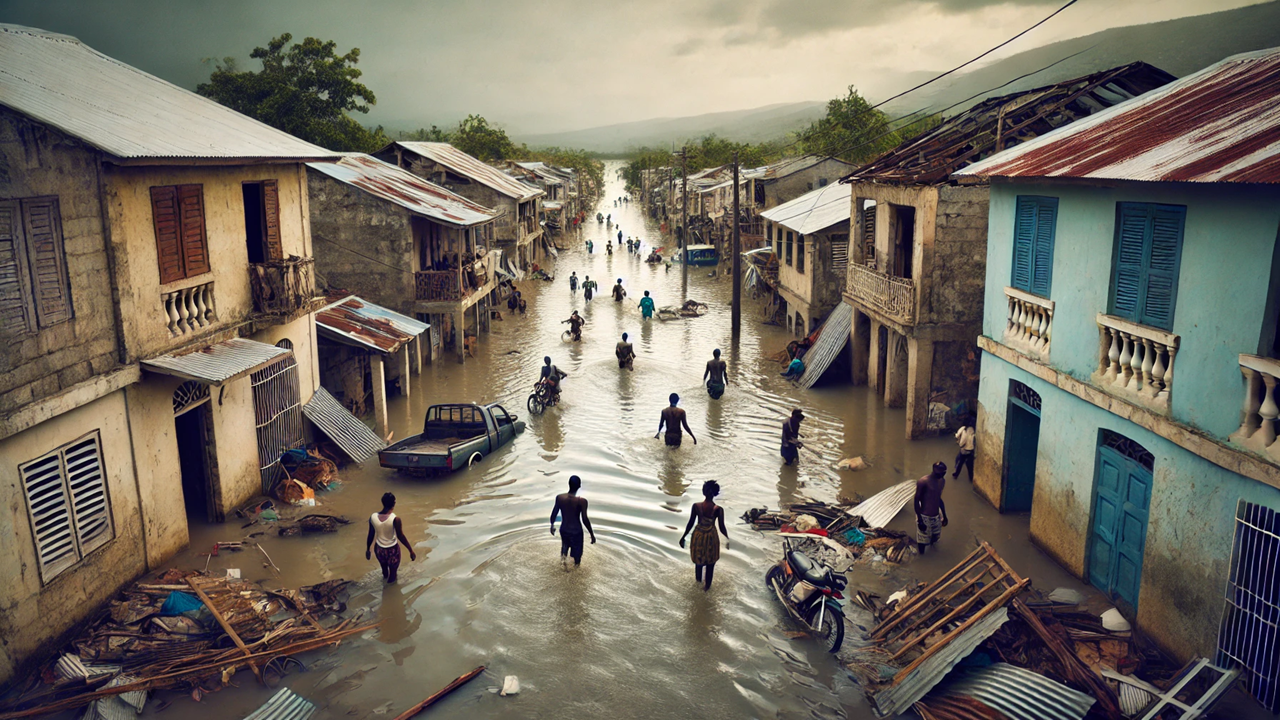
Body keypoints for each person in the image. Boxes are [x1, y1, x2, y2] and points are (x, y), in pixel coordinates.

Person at [679, 480, 730, 591]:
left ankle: (697, 587)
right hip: (711, 537)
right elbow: (722, 527)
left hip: (698, 536)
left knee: (698, 562)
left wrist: (683, 537)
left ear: (703, 492)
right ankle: (706, 589)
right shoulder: (718, 510)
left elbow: (690, 523)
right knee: (710, 565)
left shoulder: (696, 506)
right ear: (716, 493)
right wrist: (727, 539)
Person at [366, 492, 416, 584]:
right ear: (394, 503)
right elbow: (400, 536)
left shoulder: (373, 517)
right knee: (393, 576)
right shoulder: (395, 519)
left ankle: (384, 586)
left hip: (379, 550)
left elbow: (370, 534)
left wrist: (368, 549)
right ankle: (389, 593)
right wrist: (410, 550)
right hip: (392, 550)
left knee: (384, 572)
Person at [551, 475, 596, 567]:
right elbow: (584, 519)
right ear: (579, 486)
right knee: (577, 558)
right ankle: (575, 576)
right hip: (576, 532)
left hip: (564, 530)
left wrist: (552, 525)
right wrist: (592, 534)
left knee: (564, 551)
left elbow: (554, 513)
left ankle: (563, 570)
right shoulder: (582, 501)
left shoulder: (560, 498)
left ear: (569, 484)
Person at [915, 462, 949, 553]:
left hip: (936, 515)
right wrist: (920, 520)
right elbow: (916, 501)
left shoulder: (942, 481)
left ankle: (932, 554)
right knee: (922, 541)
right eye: (939, 473)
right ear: (933, 470)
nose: (941, 475)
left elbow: (939, 499)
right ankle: (921, 556)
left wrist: (944, 515)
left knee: (935, 537)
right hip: (924, 516)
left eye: (943, 473)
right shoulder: (923, 482)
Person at [953, 416, 975, 482]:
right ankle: (971, 479)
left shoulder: (963, 429)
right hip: (971, 450)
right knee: (969, 465)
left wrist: (960, 443)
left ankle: (956, 475)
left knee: (960, 462)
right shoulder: (972, 429)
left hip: (964, 449)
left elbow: (961, 438)